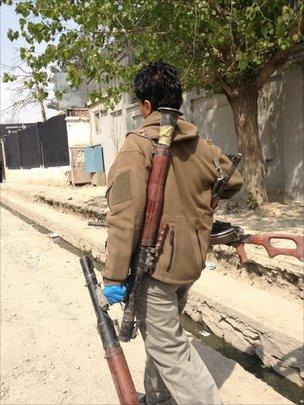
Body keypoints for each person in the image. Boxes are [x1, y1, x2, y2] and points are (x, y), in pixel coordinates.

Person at [102, 61, 243, 405]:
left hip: (156, 268)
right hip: (190, 263)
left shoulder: (139, 144)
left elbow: (125, 213)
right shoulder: (200, 143)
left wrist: (115, 274)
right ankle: (159, 399)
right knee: (162, 339)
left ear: (146, 106)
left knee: (172, 352)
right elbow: (234, 182)